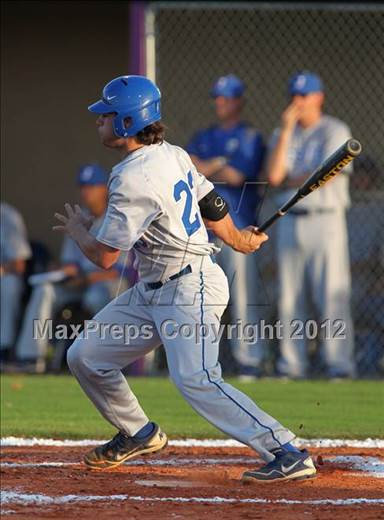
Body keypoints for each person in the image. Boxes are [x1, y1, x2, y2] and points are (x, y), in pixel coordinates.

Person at [54, 74, 316, 483]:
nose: (99, 121)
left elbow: (105, 257)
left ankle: (285, 449)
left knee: (197, 379)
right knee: (85, 355)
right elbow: (210, 198)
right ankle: (137, 431)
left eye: (106, 115)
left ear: (126, 123)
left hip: (188, 287)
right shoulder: (170, 152)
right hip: (153, 290)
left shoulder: (130, 176)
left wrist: (79, 232)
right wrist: (236, 238)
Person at [266, 71, 355, 379]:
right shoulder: (283, 133)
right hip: (290, 220)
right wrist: (288, 128)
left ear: (319, 97)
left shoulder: (334, 130)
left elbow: (323, 177)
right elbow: (276, 177)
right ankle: (292, 365)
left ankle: (338, 366)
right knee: (289, 297)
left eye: (304, 95)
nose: (298, 101)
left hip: (325, 220)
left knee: (331, 294)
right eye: (294, 95)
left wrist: (300, 176)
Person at [187, 74, 266, 378]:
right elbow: (191, 169)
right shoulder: (204, 135)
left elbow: (235, 176)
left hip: (240, 226)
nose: (220, 102)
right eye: (217, 97)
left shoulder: (250, 136)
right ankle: (202, 360)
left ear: (239, 101)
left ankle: (251, 361)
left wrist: (208, 166)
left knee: (245, 297)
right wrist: (219, 163)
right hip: (206, 231)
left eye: (227, 98)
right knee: (202, 298)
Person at [15, 165, 130, 372]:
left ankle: (104, 360)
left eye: (92, 186)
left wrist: (86, 279)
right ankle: (32, 358)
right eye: (83, 186)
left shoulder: (117, 217)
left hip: (105, 283)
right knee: (45, 289)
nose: (87, 192)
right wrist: (62, 270)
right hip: (78, 282)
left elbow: (120, 270)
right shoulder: (79, 218)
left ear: (105, 189)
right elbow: (71, 262)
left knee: (97, 296)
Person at [0, 202, 31, 361]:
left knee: (9, 283)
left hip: (4, 275)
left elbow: (19, 265)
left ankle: (3, 349)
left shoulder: (7, 216)